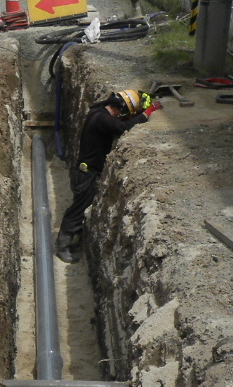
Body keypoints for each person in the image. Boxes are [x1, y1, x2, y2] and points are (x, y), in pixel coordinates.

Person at [55, 89, 161, 263]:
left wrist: (139, 111)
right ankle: (63, 247)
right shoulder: (102, 119)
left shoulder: (98, 112)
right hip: (87, 174)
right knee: (77, 210)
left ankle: (72, 242)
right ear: (121, 108)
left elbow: (118, 122)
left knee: (80, 208)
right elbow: (123, 128)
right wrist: (147, 113)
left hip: (84, 172)